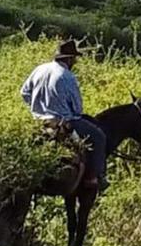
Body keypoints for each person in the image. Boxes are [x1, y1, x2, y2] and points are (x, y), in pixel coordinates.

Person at [21, 38, 106, 189]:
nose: (74, 62)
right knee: (99, 136)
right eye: (74, 59)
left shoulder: (39, 69)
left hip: (37, 120)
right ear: (69, 59)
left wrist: (36, 107)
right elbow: (78, 108)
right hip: (64, 121)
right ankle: (93, 178)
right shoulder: (67, 76)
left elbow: (24, 93)